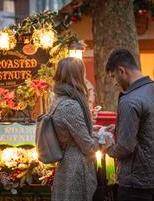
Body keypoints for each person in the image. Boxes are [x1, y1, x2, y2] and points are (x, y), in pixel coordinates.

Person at [104, 49, 154, 201]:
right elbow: (151, 126)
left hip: (136, 183)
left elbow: (125, 147)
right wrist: (119, 127)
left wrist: (107, 148)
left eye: (114, 77)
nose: (115, 83)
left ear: (122, 71)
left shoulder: (130, 100)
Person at [50, 57, 99, 201]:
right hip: (76, 169)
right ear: (77, 77)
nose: (85, 78)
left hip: (67, 165)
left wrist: (92, 130)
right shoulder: (70, 105)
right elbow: (88, 147)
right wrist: (100, 137)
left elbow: (74, 132)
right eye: (83, 74)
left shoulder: (58, 99)